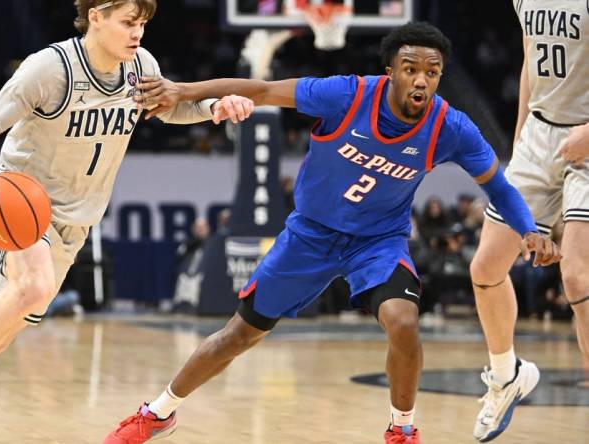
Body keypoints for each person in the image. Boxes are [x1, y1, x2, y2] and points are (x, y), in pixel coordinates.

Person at [103, 22, 561, 444]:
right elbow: (260, 90)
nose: (421, 80)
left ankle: (402, 430)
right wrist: (181, 89)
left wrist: (529, 230)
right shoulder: (346, 96)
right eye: (411, 69)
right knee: (237, 335)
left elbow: (499, 185)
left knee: (403, 321)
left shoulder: (450, 127)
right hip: (310, 236)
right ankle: (160, 411)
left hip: (377, 243)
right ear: (391, 72)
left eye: (432, 72)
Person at [0, 2, 247, 443]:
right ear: (97, 16)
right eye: (128, 22)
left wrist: (215, 108)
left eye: (142, 23)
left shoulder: (141, 67)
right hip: (23, 203)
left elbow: (169, 109)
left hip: (76, 222)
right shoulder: (50, 69)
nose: (137, 32)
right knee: (36, 285)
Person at [468, 1, 589, 441]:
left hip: (587, 135)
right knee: (485, 268)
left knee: (576, 277)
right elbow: (530, 60)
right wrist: (519, 140)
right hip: (538, 137)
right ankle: (506, 376)